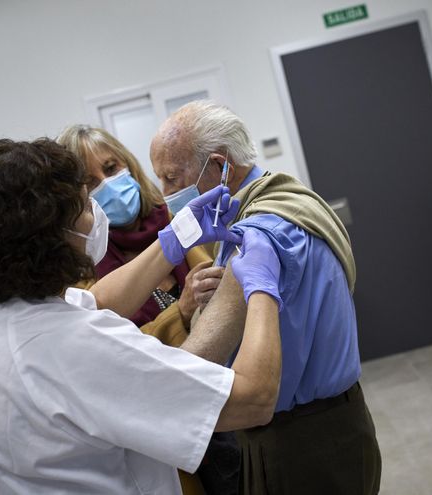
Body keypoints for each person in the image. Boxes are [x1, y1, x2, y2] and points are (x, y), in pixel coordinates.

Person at [0, 137, 283, 495]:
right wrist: (260, 287)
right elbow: (253, 399)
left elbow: (95, 300)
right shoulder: (74, 349)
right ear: (56, 239)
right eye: (86, 206)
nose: (97, 212)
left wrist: (177, 237)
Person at [150, 101, 382, 494]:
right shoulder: (293, 199)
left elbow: (197, 360)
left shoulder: (258, 236)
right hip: (343, 421)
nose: (165, 195)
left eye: (172, 178)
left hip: (300, 444)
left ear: (221, 166)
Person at [56, 125, 238, 494]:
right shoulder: (79, 267)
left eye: (111, 168)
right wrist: (181, 312)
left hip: (228, 397)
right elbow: (109, 355)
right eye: (90, 183)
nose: (107, 184)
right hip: (168, 431)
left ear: (129, 165)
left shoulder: (175, 221)